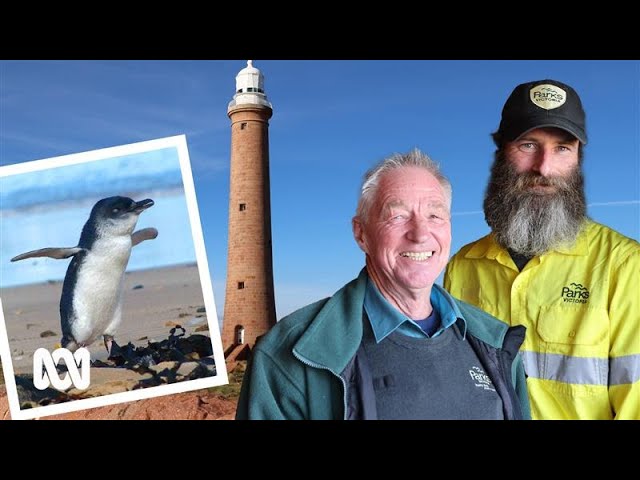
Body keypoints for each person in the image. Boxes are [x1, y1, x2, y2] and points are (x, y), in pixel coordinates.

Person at [236, 149, 530, 420]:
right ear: (361, 233)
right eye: (398, 216)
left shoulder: (496, 343)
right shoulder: (288, 356)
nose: (419, 233)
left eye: (435, 215)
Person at [444, 79, 640, 420]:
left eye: (563, 148)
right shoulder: (462, 265)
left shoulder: (624, 267)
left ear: (578, 158)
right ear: (502, 151)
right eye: (528, 145)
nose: (544, 167)